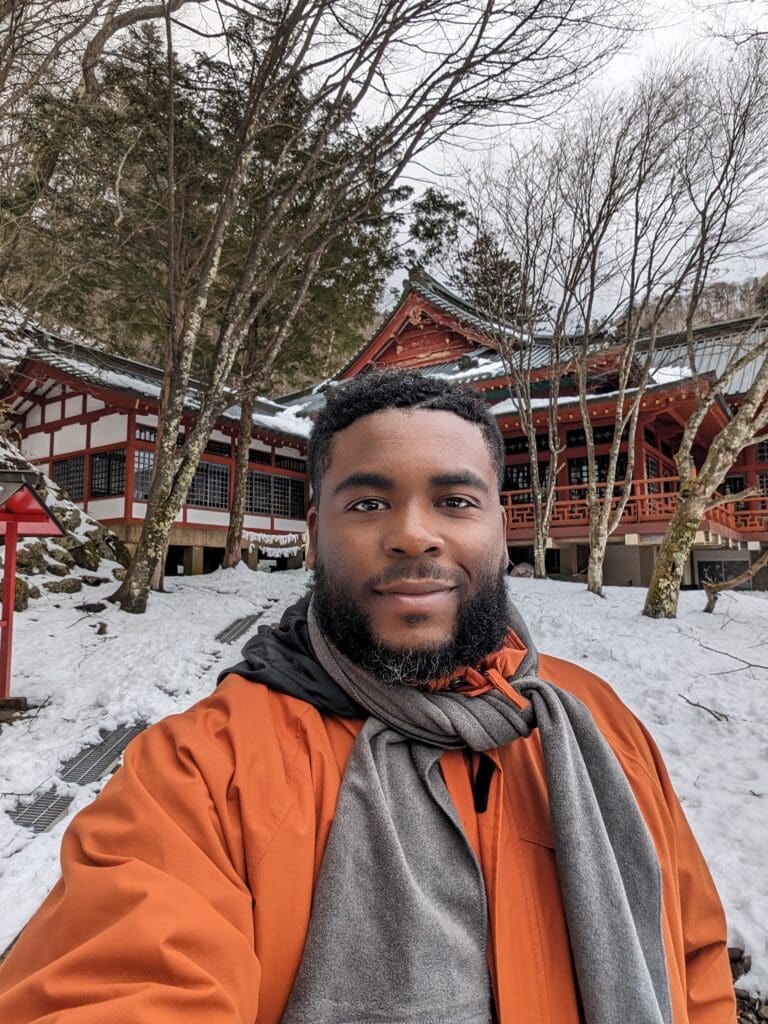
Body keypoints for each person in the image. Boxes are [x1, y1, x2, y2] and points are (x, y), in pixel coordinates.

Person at [0, 370, 736, 1023]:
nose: (413, 535)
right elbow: (115, 975)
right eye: (367, 504)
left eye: (453, 500)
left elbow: (693, 954)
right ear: (315, 529)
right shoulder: (202, 771)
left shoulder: (598, 724)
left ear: (500, 526)